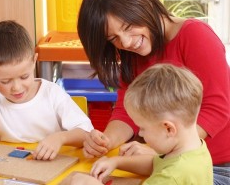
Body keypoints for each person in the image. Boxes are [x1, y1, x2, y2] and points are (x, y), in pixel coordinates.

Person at [77, 0, 230, 184]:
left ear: (143, 5)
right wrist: (107, 141)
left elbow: (217, 108)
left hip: (214, 168)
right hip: (167, 160)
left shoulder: (194, 35)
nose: (126, 42)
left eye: (127, 27)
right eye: (113, 38)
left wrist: (163, 148)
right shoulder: (133, 52)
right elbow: (126, 109)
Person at [0, 20, 94, 160]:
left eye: (24, 77)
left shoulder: (52, 93)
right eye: (5, 81)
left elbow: (87, 133)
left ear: (34, 61)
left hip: (53, 167)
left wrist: (60, 138)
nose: (16, 88)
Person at [65, 64, 213, 184]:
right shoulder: (194, 150)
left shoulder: (170, 178)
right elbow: (156, 164)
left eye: (142, 128)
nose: (140, 134)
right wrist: (116, 162)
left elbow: (164, 171)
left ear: (168, 128)